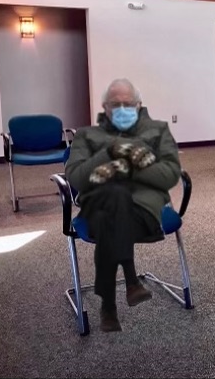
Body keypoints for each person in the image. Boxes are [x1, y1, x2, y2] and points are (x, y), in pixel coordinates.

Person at [65, 78, 181, 332]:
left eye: (127, 104)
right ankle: (130, 282)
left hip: (145, 212)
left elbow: (169, 175)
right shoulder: (86, 136)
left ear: (139, 105)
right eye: (115, 104)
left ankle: (109, 305)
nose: (122, 109)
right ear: (105, 107)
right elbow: (75, 177)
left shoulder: (157, 132)